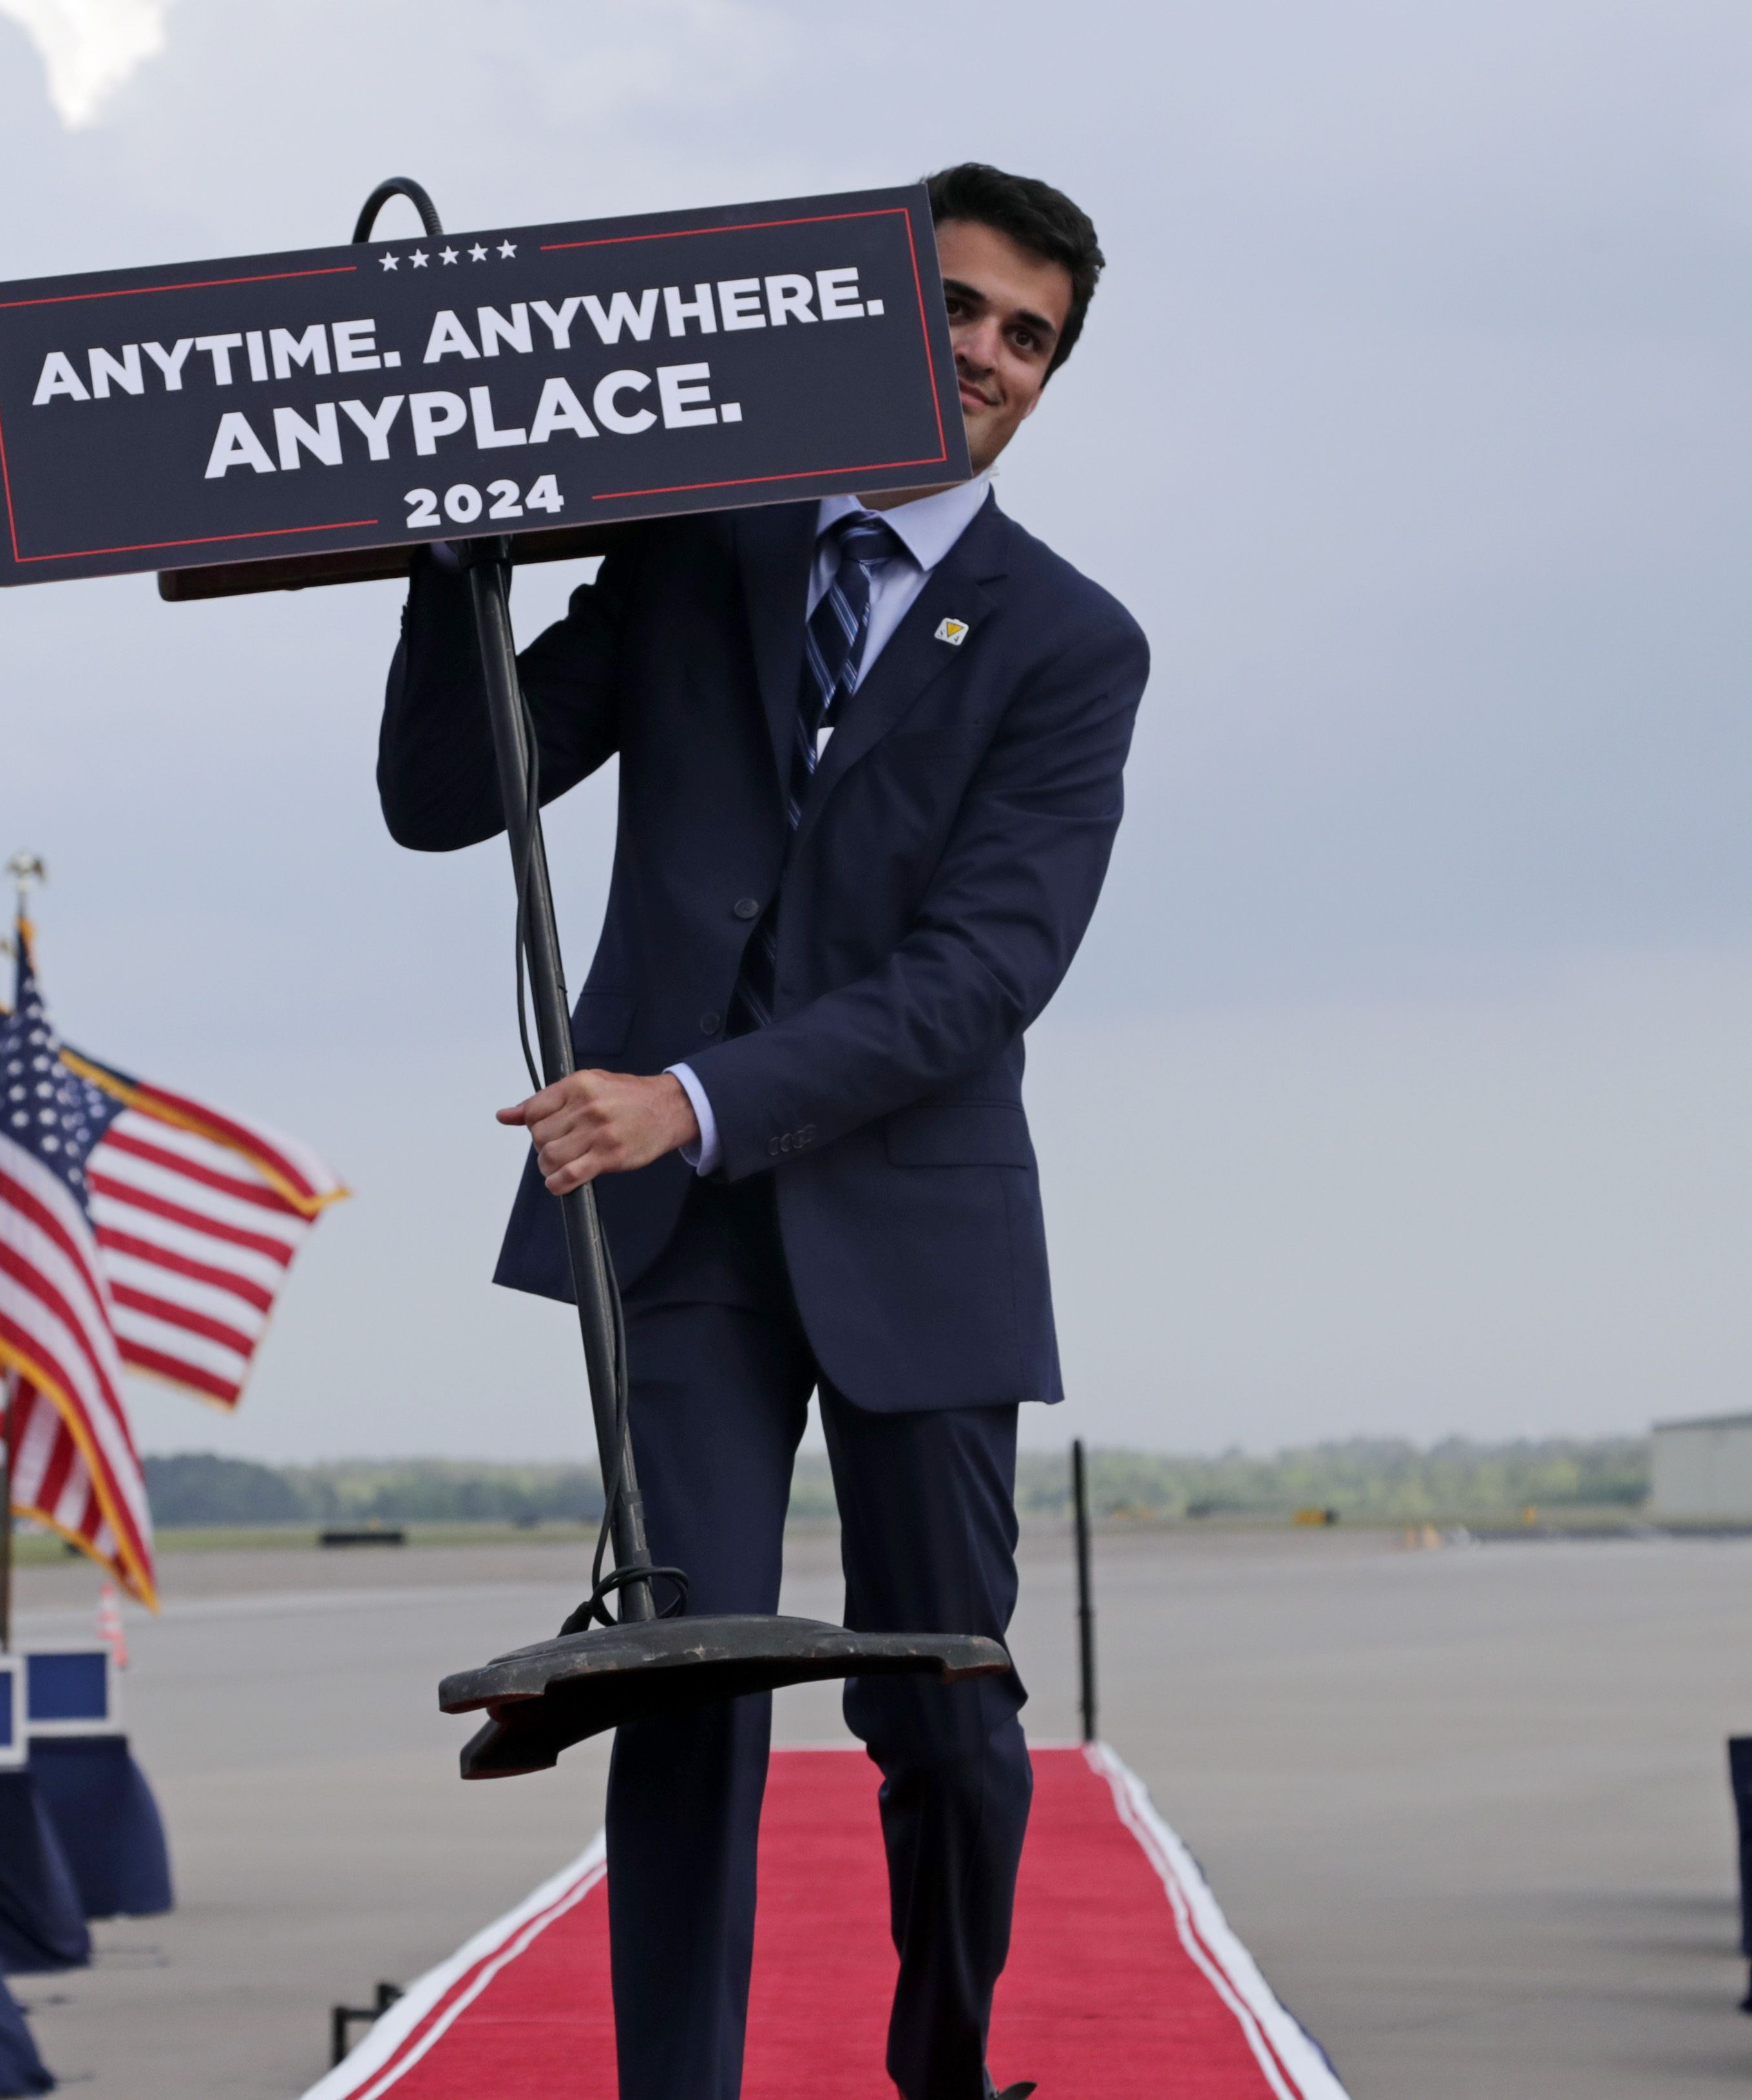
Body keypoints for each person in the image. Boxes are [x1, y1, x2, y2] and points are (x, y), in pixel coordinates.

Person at [377, 162, 1145, 2100]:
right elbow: (446, 789)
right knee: (690, 1689)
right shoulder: (699, 546)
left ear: (1048, 378)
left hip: (911, 1221)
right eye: (956, 306)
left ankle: (947, 2067)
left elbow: (982, 973)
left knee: (948, 1709)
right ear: (877, 313)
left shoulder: (1069, 644)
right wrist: (442, 547)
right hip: (681, 1251)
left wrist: (697, 1097)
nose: (982, 354)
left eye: (1025, 337)